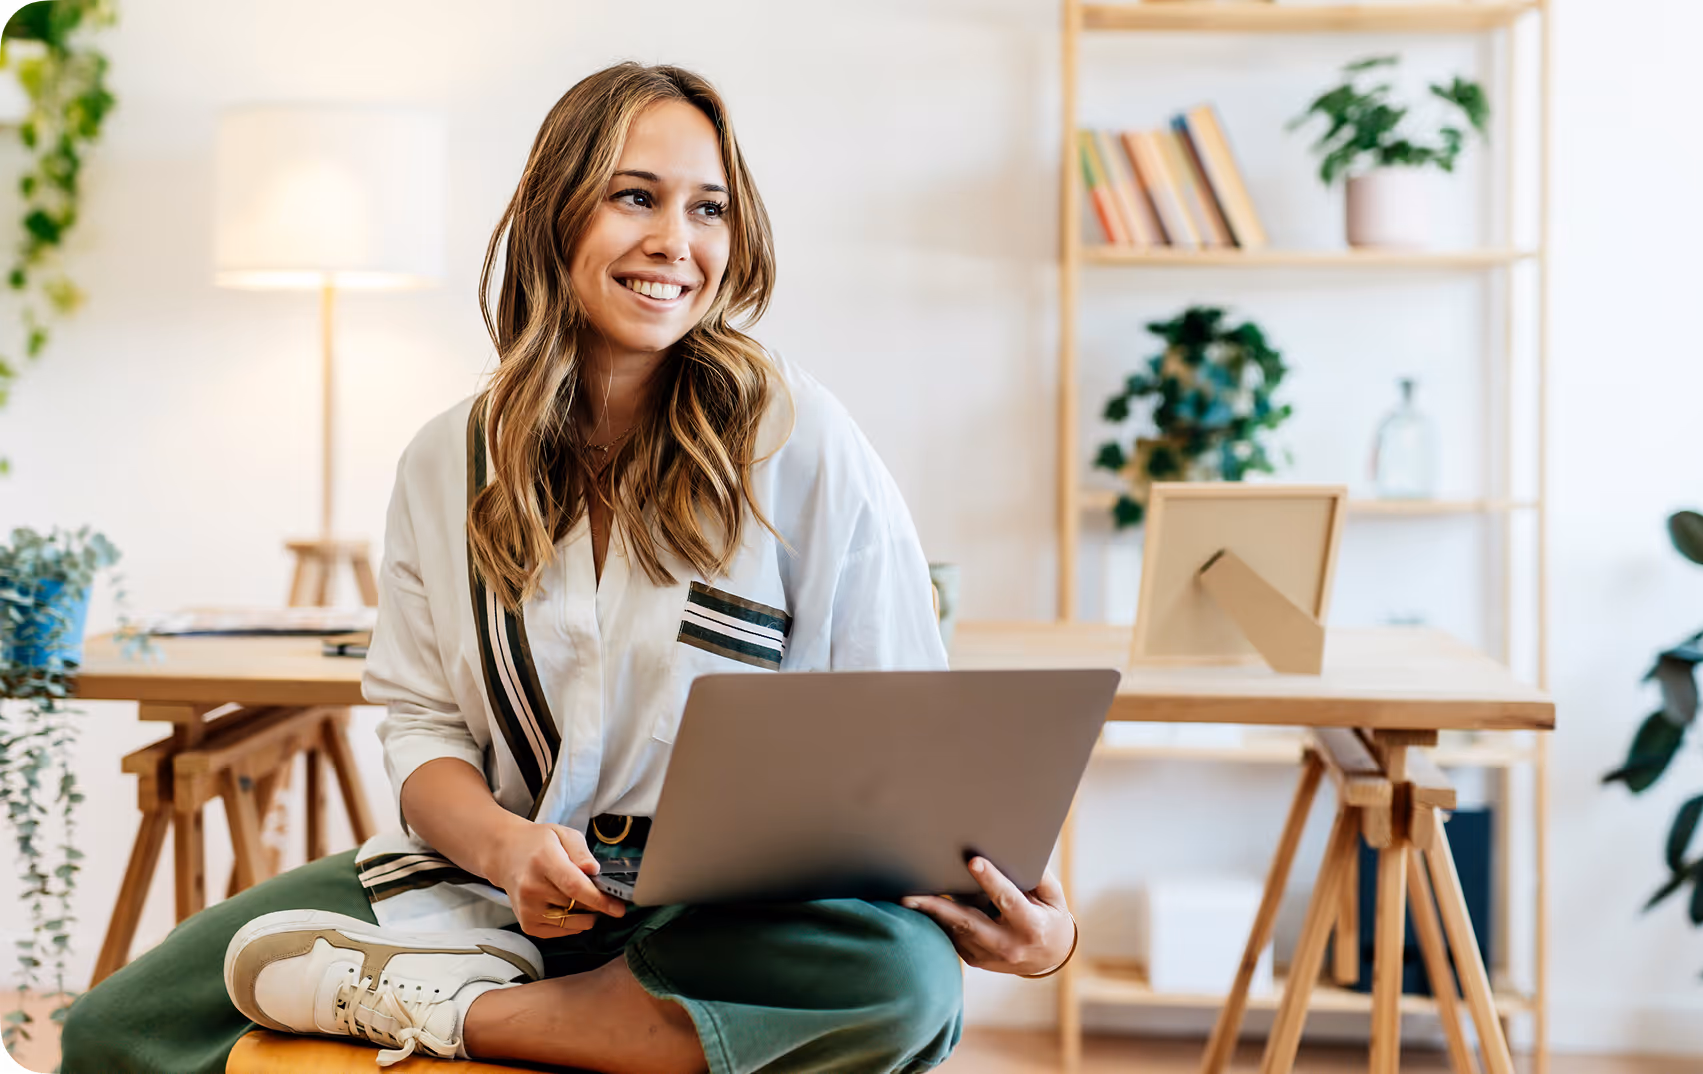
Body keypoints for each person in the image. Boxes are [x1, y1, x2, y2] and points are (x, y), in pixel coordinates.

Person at [59, 62, 1077, 1074]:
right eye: (635, 196)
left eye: (708, 209)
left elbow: (902, 729)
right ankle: (565, 1006)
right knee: (123, 1031)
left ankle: (458, 1013)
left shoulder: (796, 439)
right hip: (490, 892)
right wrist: (507, 849)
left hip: (740, 922)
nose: (676, 243)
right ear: (556, 216)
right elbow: (422, 735)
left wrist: (1046, 938)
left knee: (902, 985)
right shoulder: (442, 463)